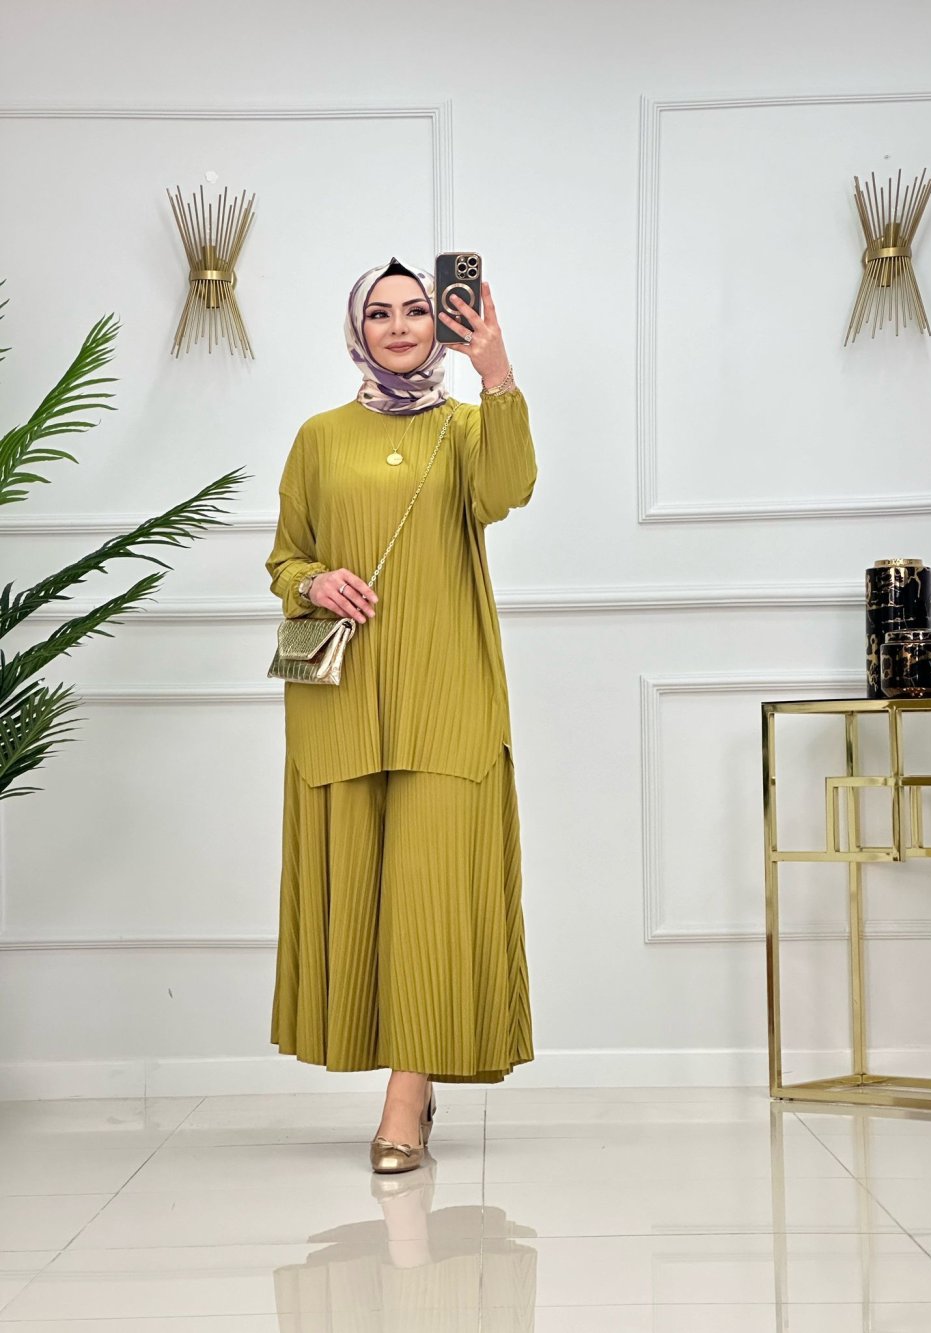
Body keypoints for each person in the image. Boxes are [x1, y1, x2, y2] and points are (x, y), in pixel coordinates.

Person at [266, 257, 536, 1173]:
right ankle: (400, 1081)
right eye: (378, 313)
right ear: (358, 330)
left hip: (446, 693)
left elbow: (509, 490)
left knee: (430, 896)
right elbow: (285, 557)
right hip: (345, 700)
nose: (398, 326)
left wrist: (497, 371)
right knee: (365, 897)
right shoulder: (318, 437)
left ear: (439, 323)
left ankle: (406, 1096)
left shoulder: (468, 427)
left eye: (416, 309)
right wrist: (315, 582)